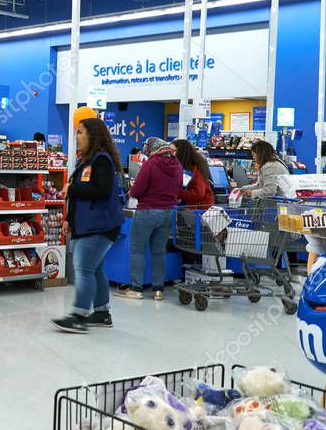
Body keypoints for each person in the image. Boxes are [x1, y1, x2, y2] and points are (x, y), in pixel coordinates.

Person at [52, 117, 125, 334]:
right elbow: (81, 197)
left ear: (92, 135)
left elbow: (101, 191)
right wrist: (68, 220)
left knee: (83, 268)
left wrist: (71, 189)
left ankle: (78, 315)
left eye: (81, 132)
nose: (77, 136)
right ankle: (102, 313)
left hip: (101, 225)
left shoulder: (101, 160)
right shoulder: (88, 160)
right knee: (96, 268)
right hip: (91, 224)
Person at [119, 137, 182, 300]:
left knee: (137, 249)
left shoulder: (150, 164)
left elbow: (137, 189)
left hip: (147, 211)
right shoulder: (177, 165)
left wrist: (132, 191)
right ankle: (158, 290)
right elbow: (179, 188)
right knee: (159, 251)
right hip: (168, 212)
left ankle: (136, 288)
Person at [172, 139, 215, 208]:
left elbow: (198, 192)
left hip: (199, 209)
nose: (171, 154)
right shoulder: (181, 166)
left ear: (182, 152)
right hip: (188, 207)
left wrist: (177, 193)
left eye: (174, 151)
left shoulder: (195, 168)